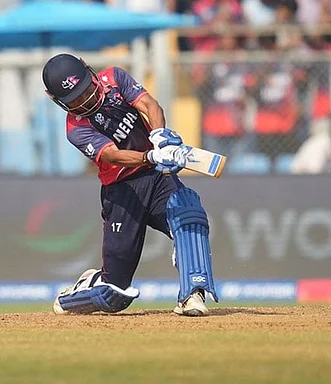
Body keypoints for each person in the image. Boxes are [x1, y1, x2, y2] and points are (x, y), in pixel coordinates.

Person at [41, 53, 218, 317]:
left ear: (90, 72)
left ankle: (192, 294)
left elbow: (149, 105)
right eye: (75, 99)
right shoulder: (76, 128)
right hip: (123, 193)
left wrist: (159, 138)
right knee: (114, 294)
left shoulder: (114, 77)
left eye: (86, 89)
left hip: (158, 177)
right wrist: (149, 156)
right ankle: (77, 295)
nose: (86, 100)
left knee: (189, 216)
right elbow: (112, 155)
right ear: (58, 101)